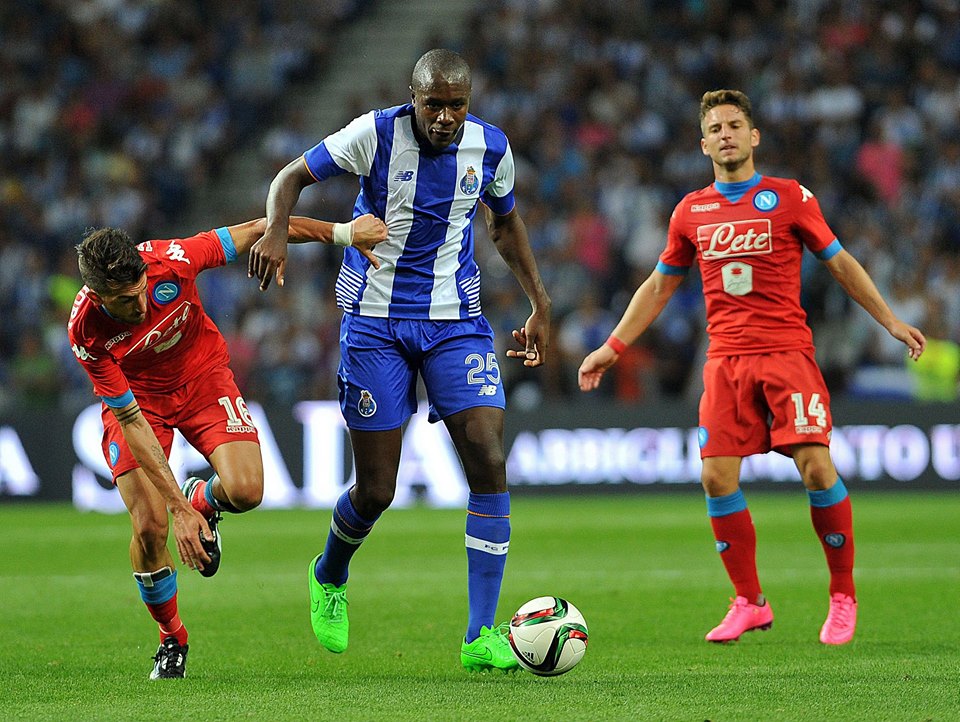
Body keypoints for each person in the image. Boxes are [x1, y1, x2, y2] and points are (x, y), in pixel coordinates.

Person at [578, 89, 925, 646]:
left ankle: (842, 595)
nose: (726, 135)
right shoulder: (690, 211)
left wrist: (890, 321)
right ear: (703, 144)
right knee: (715, 477)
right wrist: (612, 346)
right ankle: (750, 602)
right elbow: (660, 286)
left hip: (787, 354)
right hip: (726, 360)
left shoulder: (790, 198)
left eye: (735, 125)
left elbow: (840, 263)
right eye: (715, 128)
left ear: (754, 135)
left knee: (816, 468)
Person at [248, 48, 551, 671]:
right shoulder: (375, 133)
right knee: (377, 490)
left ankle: (479, 635)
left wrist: (539, 302)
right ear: (413, 97)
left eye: (456, 105)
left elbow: (505, 225)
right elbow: (289, 178)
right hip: (375, 320)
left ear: (469, 103)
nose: (444, 117)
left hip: (456, 320)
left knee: (489, 460)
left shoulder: (491, 147)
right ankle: (329, 573)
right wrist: (277, 230)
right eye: (433, 104)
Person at [68, 213, 388, 678]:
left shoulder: (172, 260)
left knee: (247, 491)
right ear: (98, 296)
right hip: (140, 404)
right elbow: (130, 418)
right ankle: (172, 638)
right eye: (124, 301)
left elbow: (262, 228)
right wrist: (177, 510)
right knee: (151, 527)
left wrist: (344, 234)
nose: (139, 305)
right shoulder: (85, 330)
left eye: (140, 291)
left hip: (202, 378)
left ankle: (204, 498)